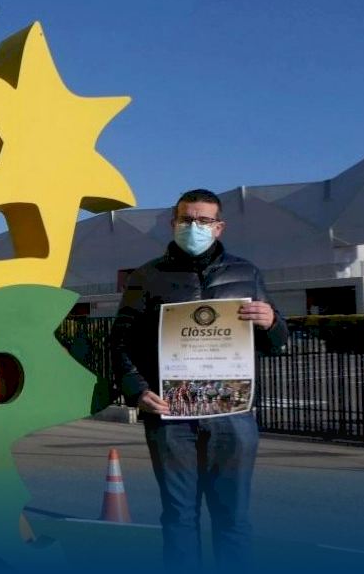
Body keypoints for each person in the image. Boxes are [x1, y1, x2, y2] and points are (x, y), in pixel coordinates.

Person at [110, 188, 288, 569]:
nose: (194, 227)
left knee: (233, 519)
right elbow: (121, 342)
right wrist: (137, 390)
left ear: (219, 227)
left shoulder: (246, 273)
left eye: (204, 220)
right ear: (172, 223)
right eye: (186, 219)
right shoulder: (147, 277)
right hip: (171, 418)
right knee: (178, 518)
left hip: (231, 416)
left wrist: (272, 321)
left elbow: (275, 343)